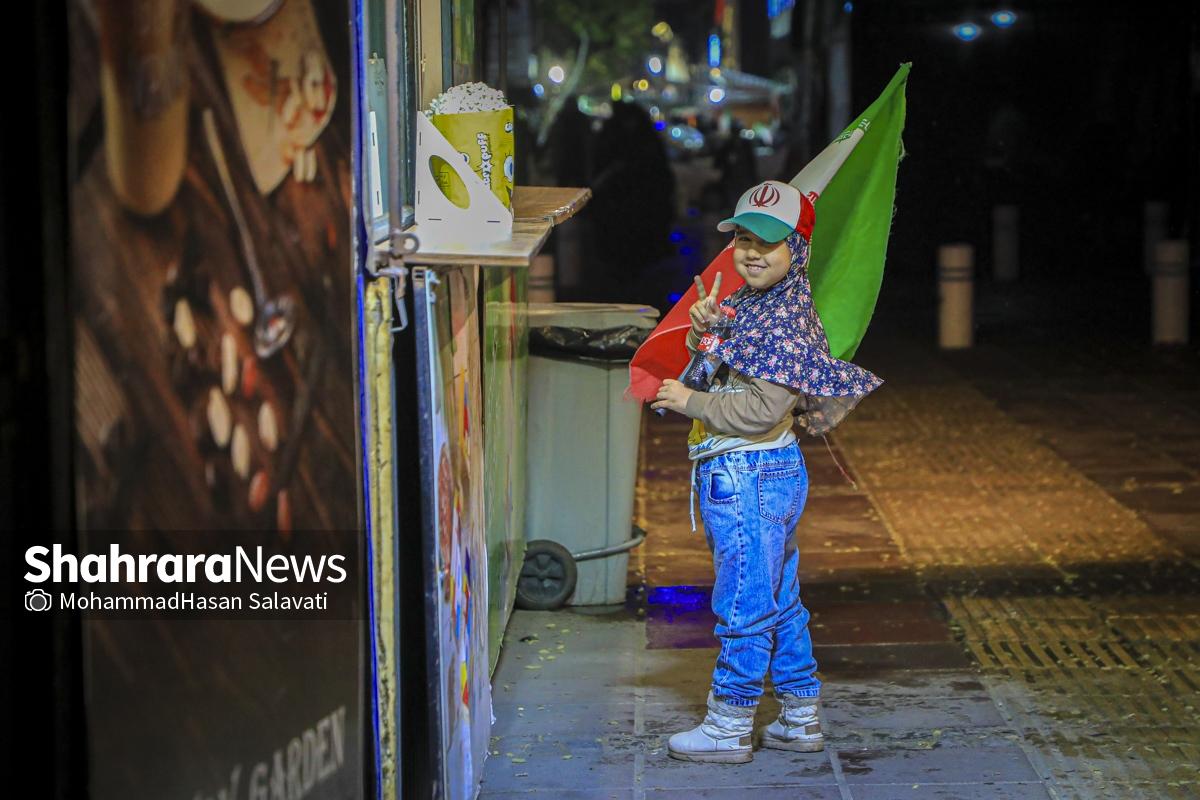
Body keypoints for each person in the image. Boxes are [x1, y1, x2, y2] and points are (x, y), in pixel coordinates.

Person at [650, 180, 882, 764]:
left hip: (749, 474)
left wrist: (688, 402)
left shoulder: (784, 321)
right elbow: (722, 370)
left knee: (745, 604)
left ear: (797, 249)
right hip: (758, 473)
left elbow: (759, 409)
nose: (752, 253)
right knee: (778, 598)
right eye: (744, 239)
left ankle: (729, 725)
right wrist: (706, 330)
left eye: (768, 243)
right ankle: (800, 718)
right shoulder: (759, 304)